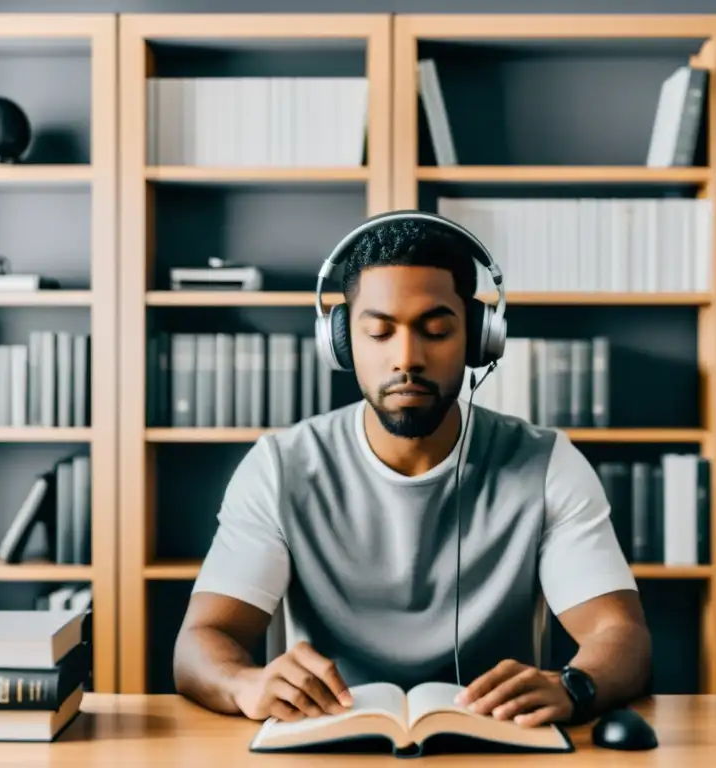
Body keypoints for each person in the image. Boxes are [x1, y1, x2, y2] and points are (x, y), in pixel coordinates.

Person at [172, 212, 652, 729]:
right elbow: (201, 642)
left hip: (497, 742)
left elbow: (620, 634)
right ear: (340, 342)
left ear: (477, 337)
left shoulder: (547, 464)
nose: (407, 358)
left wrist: (573, 685)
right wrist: (244, 682)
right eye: (379, 332)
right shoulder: (279, 467)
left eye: (437, 330)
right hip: (329, 743)